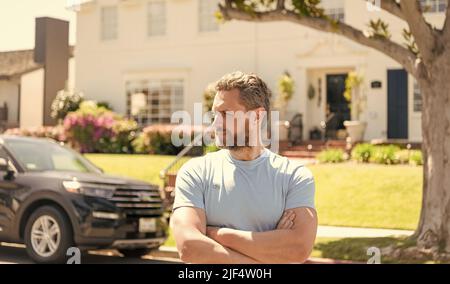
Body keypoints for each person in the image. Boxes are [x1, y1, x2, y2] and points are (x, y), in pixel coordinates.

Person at [170, 71, 317, 264]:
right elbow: (190, 247)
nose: (216, 124)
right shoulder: (195, 172)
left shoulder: (294, 176)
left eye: (225, 114)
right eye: (214, 114)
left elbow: (298, 249)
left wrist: (215, 234)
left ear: (257, 116)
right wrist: (266, 258)